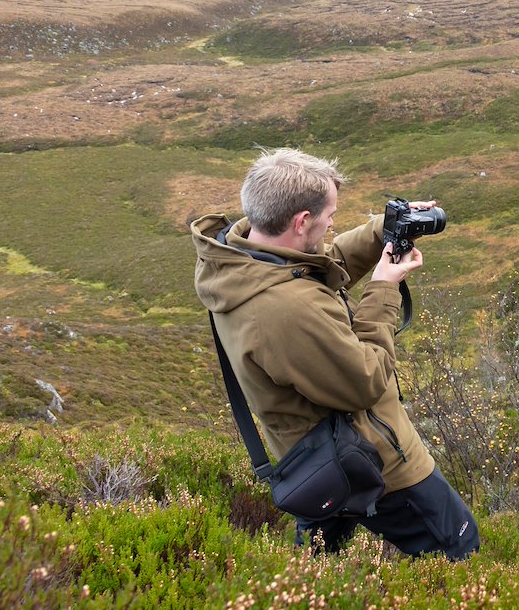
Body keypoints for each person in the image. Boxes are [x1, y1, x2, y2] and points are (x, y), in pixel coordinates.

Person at [191, 147, 479, 559]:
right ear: (301, 221)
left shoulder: (246, 258)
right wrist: (384, 287)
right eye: (329, 216)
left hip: (314, 458)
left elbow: (319, 263)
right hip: (372, 461)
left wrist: (385, 230)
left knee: (316, 566)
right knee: (459, 554)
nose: (333, 224)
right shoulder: (284, 310)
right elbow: (364, 382)